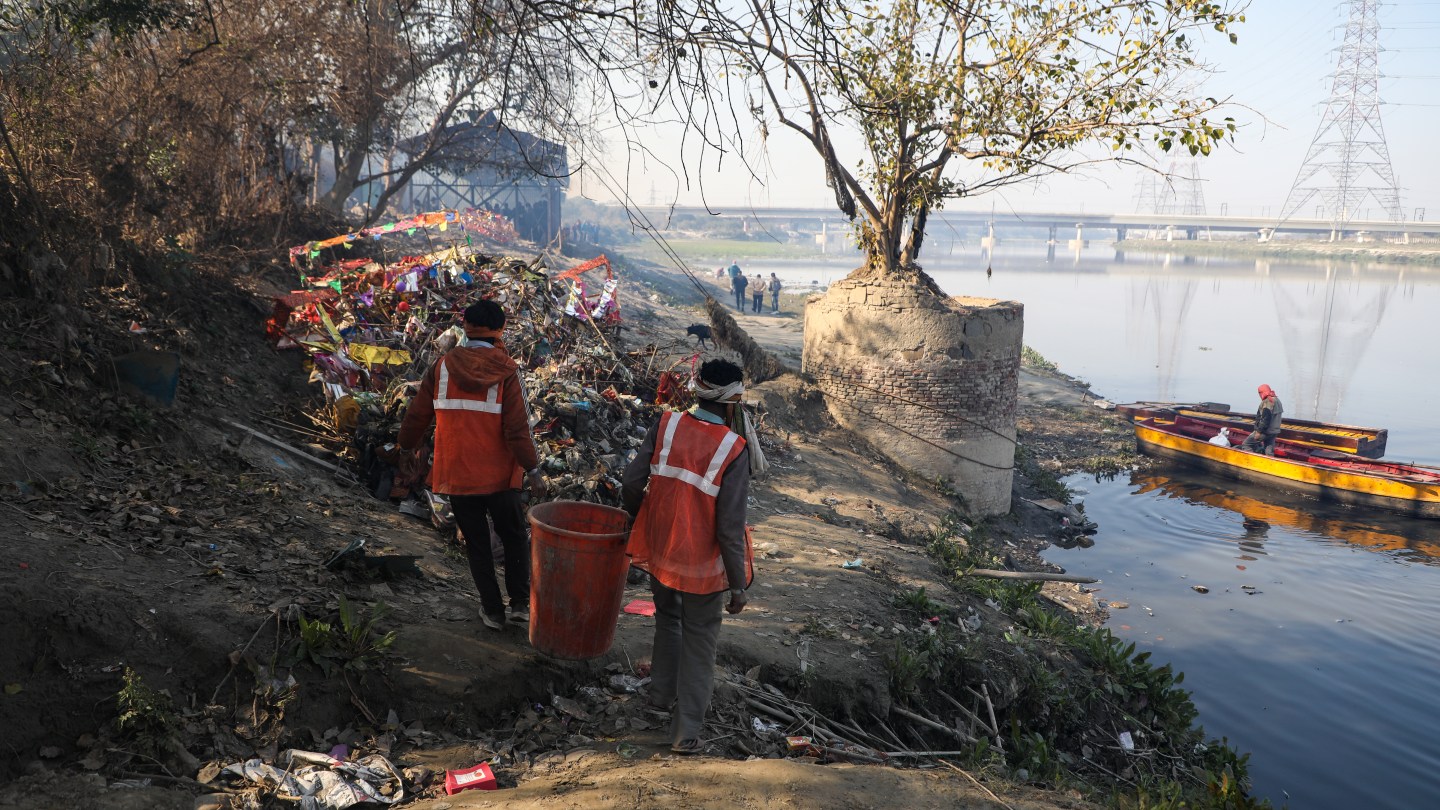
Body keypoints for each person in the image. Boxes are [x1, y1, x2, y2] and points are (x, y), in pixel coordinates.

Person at [622, 359, 755, 756]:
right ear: (732, 404)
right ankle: (685, 734)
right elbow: (730, 529)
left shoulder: (667, 425)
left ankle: (660, 699)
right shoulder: (734, 449)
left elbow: (631, 481)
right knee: (700, 641)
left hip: (660, 548)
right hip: (701, 566)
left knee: (668, 621)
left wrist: (639, 518)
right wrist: (737, 586)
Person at [399, 300, 547, 631]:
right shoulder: (507, 370)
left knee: (478, 543)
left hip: (458, 473)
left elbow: (417, 416)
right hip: (500, 476)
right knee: (513, 537)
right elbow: (518, 429)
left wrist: (405, 448)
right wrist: (533, 470)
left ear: (465, 327)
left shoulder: (442, 367)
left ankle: (493, 612)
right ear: (500, 329)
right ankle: (521, 605)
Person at [1240, 384, 1284, 456]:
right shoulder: (1277, 400)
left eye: (1259, 393)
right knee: (1269, 451)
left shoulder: (1267, 402)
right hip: (1274, 431)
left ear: (1262, 392)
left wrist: (1259, 432)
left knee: (1246, 444)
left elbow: (1265, 419)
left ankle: (1252, 462)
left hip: (1265, 431)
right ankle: (1269, 465)